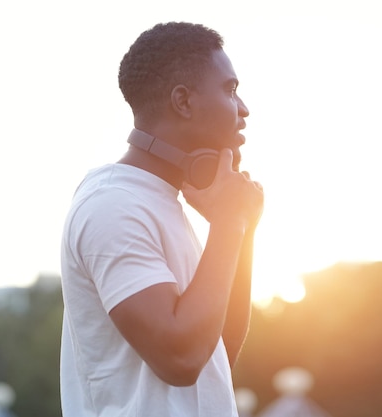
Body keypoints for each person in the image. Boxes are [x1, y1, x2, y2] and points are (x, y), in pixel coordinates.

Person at [59, 22, 264, 417]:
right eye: (230, 89)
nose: (243, 109)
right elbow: (181, 358)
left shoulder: (160, 201)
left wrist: (242, 229)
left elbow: (215, 349)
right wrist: (226, 225)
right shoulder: (113, 205)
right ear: (183, 102)